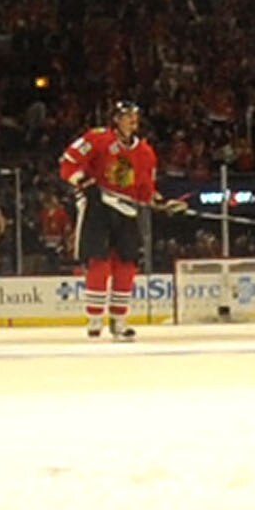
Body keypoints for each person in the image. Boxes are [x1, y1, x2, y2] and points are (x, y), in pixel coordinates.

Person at [61, 100, 158, 338]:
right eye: (127, 116)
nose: (132, 120)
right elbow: (68, 162)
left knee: (127, 263)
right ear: (115, 118)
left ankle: (119, 320)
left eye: (135, 116)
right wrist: (83, 181)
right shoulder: (97, 139)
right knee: (99, 261)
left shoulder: (145, 152)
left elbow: (145, 189)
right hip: (98, 206)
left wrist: (159, 200)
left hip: (127, 210)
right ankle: (95, 318)